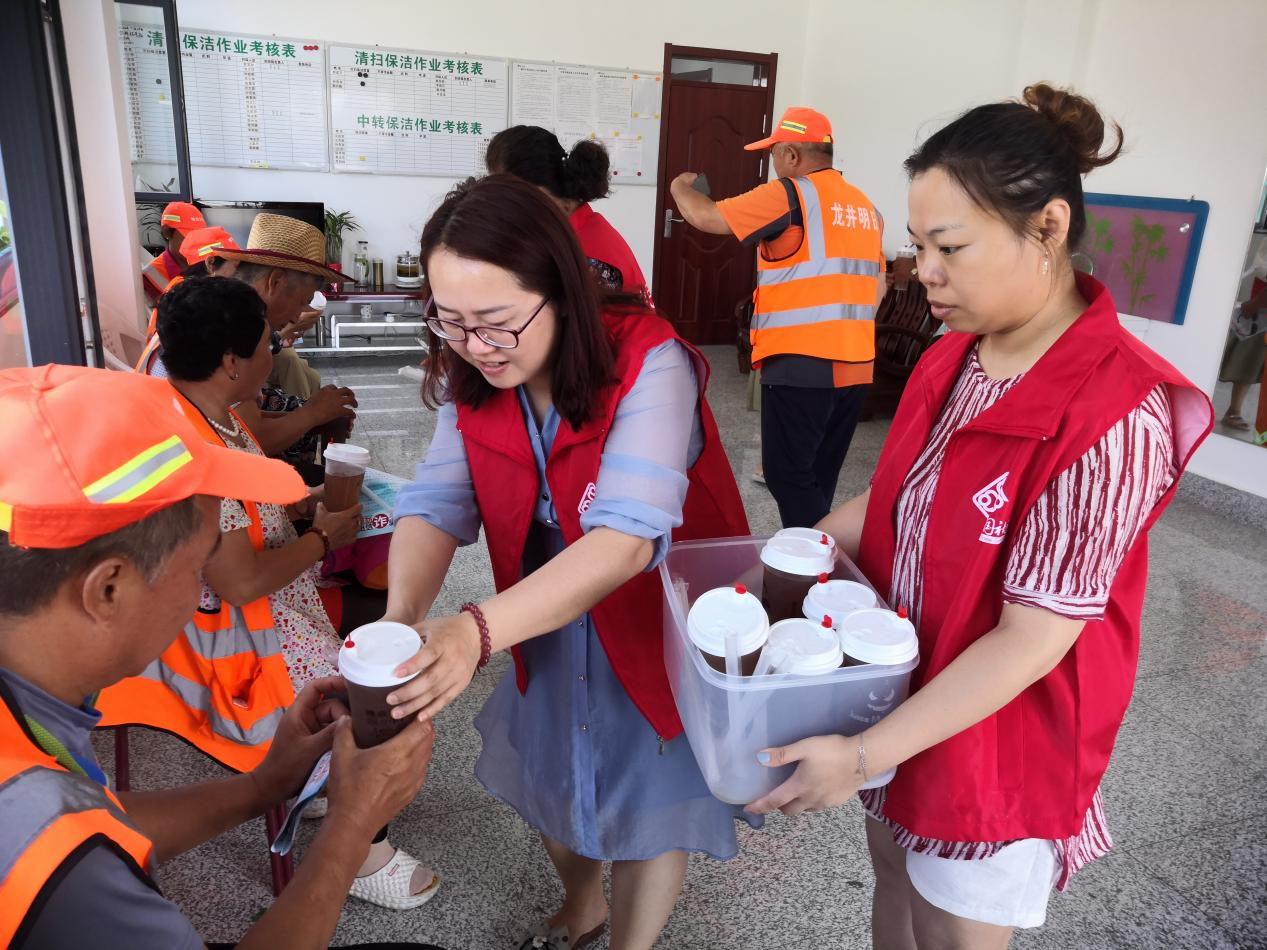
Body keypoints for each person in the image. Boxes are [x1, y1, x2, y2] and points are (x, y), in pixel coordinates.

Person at [744, 84, 1213, 949]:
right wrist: (791, 556)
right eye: (917, 244)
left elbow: (1033, 640)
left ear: (1047, 228)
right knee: (892, 877)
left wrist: (859, 755)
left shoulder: (1114, 411)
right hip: (901, 691)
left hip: (997, 732)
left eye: (949, 246)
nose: (923, 271)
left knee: (954, 922)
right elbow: (893, 501)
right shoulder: (953, 355)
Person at [383, 175, 749, 950]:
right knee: (550, 773)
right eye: (449, 322)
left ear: (561, 293)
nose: (474, 346)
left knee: (652, 793)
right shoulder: (473, 374)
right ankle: (583, 907)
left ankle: (630, 944)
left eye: (496, 322)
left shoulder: (652, 361)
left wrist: (471, 632)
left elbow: (623, 541)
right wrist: (398, 621)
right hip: (543, 610)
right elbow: (436, 500)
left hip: (648, 615)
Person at [0, 363, 441, 949]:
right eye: (199, 564)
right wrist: (352, 824)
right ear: (109, 589)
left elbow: (94, 819)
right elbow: (66, 838)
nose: (200, 592)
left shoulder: (31, 717)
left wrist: (262, 786)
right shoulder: (52, 862)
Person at [98, 276, 437, 909]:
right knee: (360, 693)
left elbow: (248, 520)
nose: (272, 356)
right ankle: (358, 846)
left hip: (266, 605)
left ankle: (316, 784)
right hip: (232, 636)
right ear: (231, 361)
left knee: (367, 626)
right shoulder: (199, 453)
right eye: (265, 346)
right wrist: (323, 541)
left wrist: (306, 504)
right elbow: (236, 582)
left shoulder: (206, 414)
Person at [671, 106, 887, 529]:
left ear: (792, 155)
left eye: (774, 155)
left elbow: (704, 215)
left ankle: (813, 563)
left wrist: (680, 187)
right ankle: (817, 567)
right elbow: (877, 286)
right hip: (857, 364)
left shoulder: (790, 194)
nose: (774, 164)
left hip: (801, 363)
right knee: (819, 476)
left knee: (788, 478)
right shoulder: (866, 209)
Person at [486, 125, 649, 301]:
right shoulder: (569, 228)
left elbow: (582, 326)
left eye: (510, 195)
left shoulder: (589, 260)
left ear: (539, 190)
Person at [216, 211, 340, 400]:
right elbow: (246, 422)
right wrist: (311, 415)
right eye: (301, 302)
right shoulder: (220, 326)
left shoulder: (233, 310)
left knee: (309, 375)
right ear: (275, 282)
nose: (296, 317)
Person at [135, 225, 240, 375]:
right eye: (236, 266)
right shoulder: (193, 303)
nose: (239, 275)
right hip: (164, 388)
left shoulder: (183, 289)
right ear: (210, 264)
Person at [1216, 240, 1267, 433]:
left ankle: (1235, 410)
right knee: (1248, 361)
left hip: (1258, 307)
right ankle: (1234, 410)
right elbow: (1262, 267)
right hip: (1260, 314)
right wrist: (1253, 306)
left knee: (1251, 362)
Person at [140, 200, 206, 305]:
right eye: (189, 236)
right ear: (167, 232)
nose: (197, 242)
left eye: (200, 236)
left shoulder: (209, 268)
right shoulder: (148, 281)